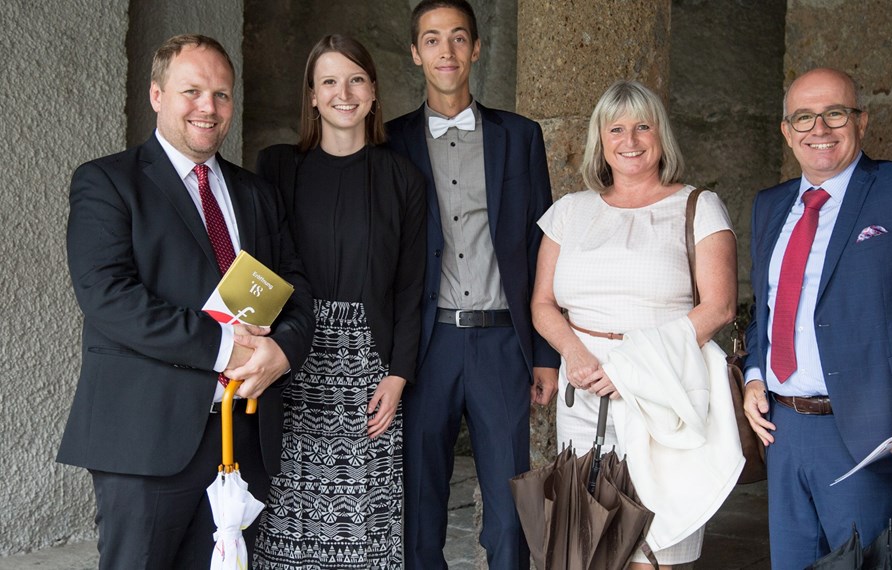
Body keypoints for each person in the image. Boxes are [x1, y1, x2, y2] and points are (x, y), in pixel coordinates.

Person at [57, 34, 314, 569]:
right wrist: (227, 349)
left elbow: (293, 284)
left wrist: (284, 351)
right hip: (147, 437)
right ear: (156, 95)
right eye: (191, 91)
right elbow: (108, 297)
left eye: (221, 95)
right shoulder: (107, 182)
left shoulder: (255, 193)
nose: (208, 107)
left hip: (242, 435)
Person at [742, 67, 892, 570]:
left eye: (835, 113)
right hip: (782, 434)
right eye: (803, 118)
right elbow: (765, 310)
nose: (819, 129)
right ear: (786, 131)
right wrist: (754, 373)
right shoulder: (769, 206)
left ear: (861, 120)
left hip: (870, 436)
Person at [531, 80, 741, 569]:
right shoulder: (569, 212)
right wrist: (576, 354)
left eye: (643, 126)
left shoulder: (698, 206)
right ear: (599, 140)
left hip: (660, 390)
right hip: (582, 395)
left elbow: (719, 308)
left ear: (660, 135)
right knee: (585, 543)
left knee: (656, 544)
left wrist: (629, 366)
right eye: (617, 128)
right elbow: (542, 303)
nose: (630, 140)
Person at [385, 1, 560, 567]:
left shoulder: (520, 136)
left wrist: (546, 353)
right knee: (418, 508)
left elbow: (542, 247)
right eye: (432, 40)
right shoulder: (389, 142)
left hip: (502, 343)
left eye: (459, 38)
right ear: (416, 53)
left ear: (476, 48)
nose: (447, 51)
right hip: (423, 347)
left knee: (511, 514)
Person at [252, 34, 426, 569]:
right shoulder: (277, 167)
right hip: (290, 355)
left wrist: (398, 375)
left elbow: (411, 286)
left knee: (364, 529)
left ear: (374, 92)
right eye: (329, 81)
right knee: (286, 520)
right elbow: (257, 262)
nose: (343, 92)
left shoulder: (402, 177)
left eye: (355, 80)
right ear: (311, 95)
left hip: (369, 364)